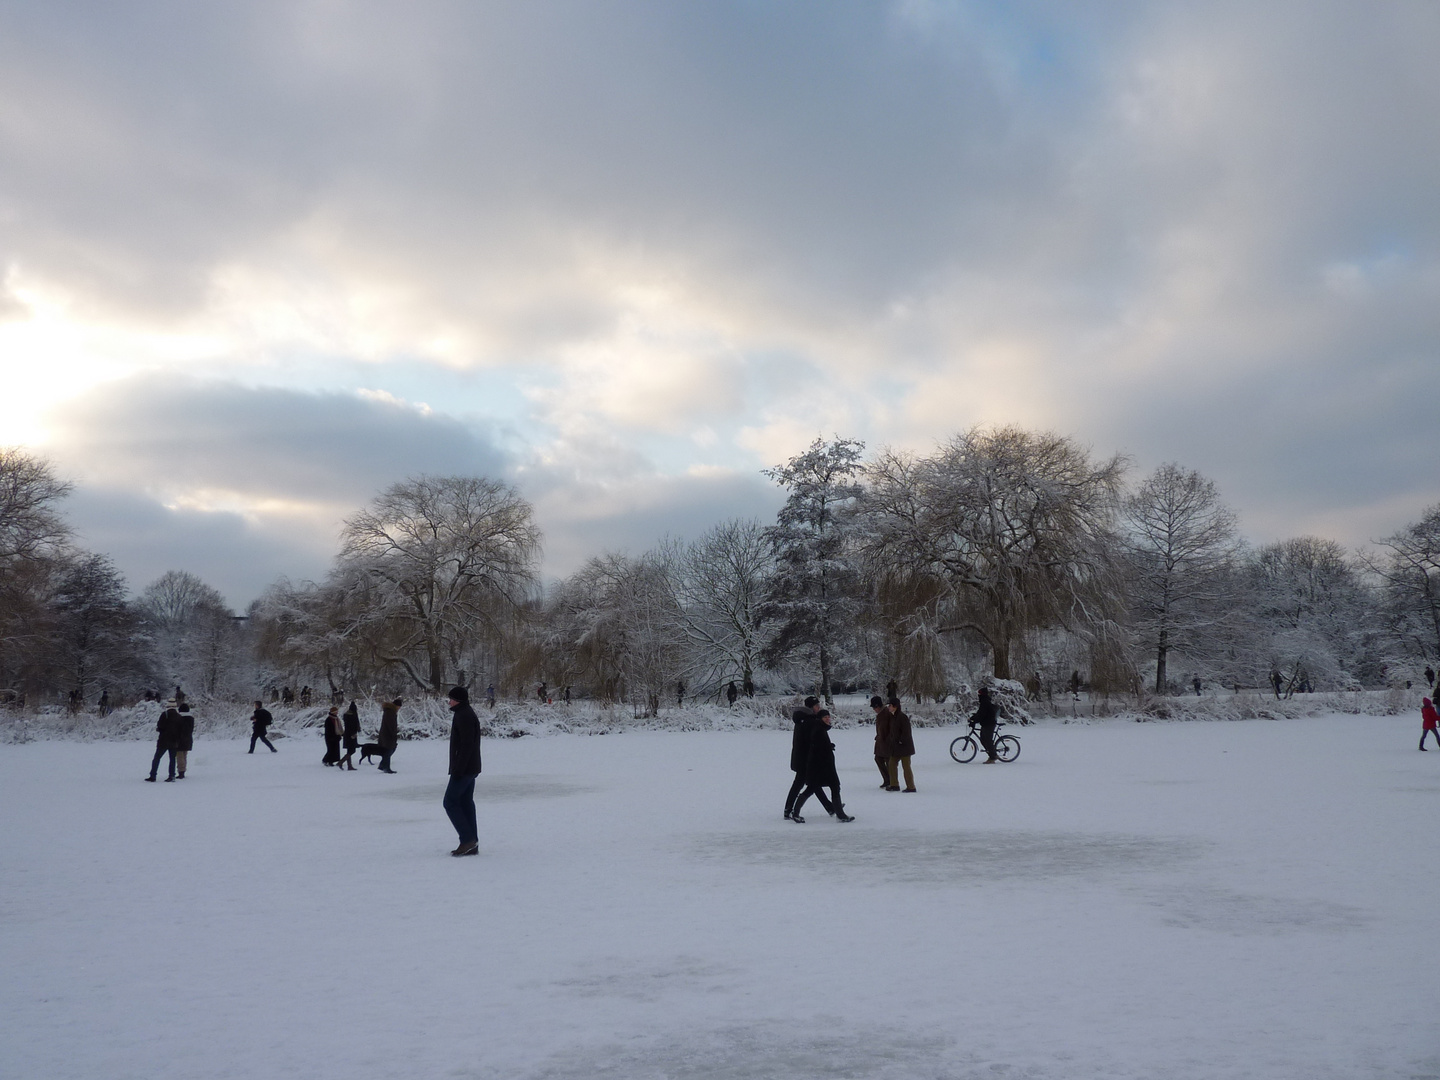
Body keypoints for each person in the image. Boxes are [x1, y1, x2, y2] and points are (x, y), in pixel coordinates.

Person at [791, 709, 853, 823]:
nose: (828, 719)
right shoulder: (818, 730)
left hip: (823, 766)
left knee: (833, 787)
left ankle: (840, 814)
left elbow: (819, 745)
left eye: (828, 717)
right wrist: (827, 749)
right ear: (820, 719)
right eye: (825, 717)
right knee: (813, 788)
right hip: (820, 767)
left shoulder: (820, 729)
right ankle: (795, 813)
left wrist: (828, 746)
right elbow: (816, 748)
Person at [444, 686, 483, 856]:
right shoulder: (464, 713)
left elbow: (467, 745)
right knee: (466, 803)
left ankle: (468, 840)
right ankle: (471, 842)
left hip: (464, 768)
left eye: (451, 699)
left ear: (458, 700)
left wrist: (458, 768)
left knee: (450, 802)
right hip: (470, 767)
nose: (449, 701)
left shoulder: (464, 715)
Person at [784, 697, 819, 820]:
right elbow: (811, 741)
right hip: (805, 759)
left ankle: (831, 807)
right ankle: (789, 810)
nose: (818, 707)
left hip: (800, 757)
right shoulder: (809, 721)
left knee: (813, 783)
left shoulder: (802, 719)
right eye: (816, 705)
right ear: (811, 707)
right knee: (803, 784)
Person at [886, 696, 916, 792]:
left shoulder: (902, 717)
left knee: (906, 767)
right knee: (891, 764)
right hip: (896, 747)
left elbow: (906, 732)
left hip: (904, 747)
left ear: (895, 706)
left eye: (890, 705)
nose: (888, 707)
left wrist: (901, 741)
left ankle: (911, 787)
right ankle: (894, 785)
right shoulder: (893, 717)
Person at [146, 701, 180, 782]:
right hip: (174, 741)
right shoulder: (179, 716)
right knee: (172, 759)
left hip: (163, 740)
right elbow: (180, 729)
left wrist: (160, 729)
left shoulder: (164, 714)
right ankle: (172, 776)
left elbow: (160, 726)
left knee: (157, 758)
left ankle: (153, 775)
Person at [869, 695, 893, 787]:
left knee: (888, 761)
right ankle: (887, 780)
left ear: (877, 706)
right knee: (878, 759)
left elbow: (889, 728)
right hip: (880, 741)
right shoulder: (882, 713)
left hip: (886, 742)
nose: (874, 709)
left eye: (874, 707)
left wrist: (886, 738)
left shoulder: (886, 713)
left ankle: (891, 780)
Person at [974, 686, 1000, 764]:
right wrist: (973, 717)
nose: (978, 695)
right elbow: (980, 713)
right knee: (983, 739)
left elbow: (982, 714)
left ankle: (993, 757)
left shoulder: (985, 702)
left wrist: (974, 720)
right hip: (986, 724)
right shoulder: (984, 702)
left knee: (988, 740)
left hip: (989, 724)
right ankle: (992, 754)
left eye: (979, 694)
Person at [377, 698, 401, 773]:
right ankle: (386, 767)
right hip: (388, 734)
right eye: (399, 707)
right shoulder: (390, 712)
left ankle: (383, 765)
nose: (399, 709)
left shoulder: (389, 711)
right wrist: (393, 733)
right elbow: (391, 725)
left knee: (390, 749)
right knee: (389, 749)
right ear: (396, 706)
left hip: (386, 733)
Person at [173, 703, 195, 779]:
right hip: (188, 739)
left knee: (179, 756)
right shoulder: (191, 718)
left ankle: (181, 772)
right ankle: (183, 770)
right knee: (184, 756)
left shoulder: (178, 718)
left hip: (179, 740)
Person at [338, 700, 360, 770]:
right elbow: (354, 726)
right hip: (352, 735)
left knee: (349, 750)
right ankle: (341, 762)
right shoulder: (354, 715)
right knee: (352, 750)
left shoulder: (346, 715)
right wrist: (354, 734)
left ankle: (349, 766)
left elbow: (348, 725)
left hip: (346, 734)